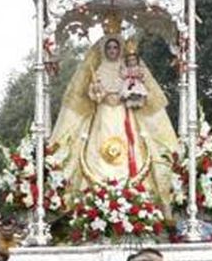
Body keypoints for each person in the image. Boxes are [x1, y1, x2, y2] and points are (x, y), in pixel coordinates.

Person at [47, 29, 180, 205]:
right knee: (97, 147)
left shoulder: (127, 68)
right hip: (103, 114)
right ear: (104, 50)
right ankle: (96, 193)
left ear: (120, 50)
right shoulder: (99, 68)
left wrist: (129, 93)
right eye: (109, 48)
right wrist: (97, 92)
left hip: (124, 113)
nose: (112, 51)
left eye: (115, 48)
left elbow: (139, 88)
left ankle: (131, 191)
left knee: (130, 147)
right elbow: (91, 93)